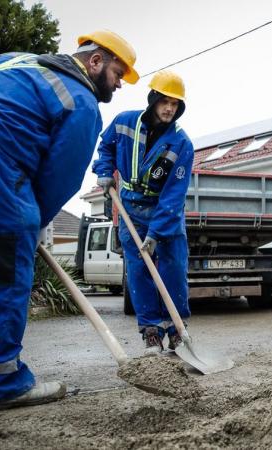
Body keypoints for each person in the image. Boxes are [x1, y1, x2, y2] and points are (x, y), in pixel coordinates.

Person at [0, 30, 138, 412]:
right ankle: (1, 385)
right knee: (0, 272)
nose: (119, 84)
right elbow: (59, 180)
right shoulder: (80, 100)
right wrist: (32, 225)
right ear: (95, 61)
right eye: (118, 73)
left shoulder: (13, 60)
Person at [93, 71, 194, 356]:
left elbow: (174, 194)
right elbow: (106, 146)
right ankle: (151, 332)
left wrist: (156, 233)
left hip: (165, 212)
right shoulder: (124, 122)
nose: (169, 109)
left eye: (175, 104)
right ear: (153, 99)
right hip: (131, 209)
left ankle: (176, 331)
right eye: (165, 102)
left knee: (173, 269)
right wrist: (104, 171)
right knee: (138, 271)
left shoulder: (182, 143)